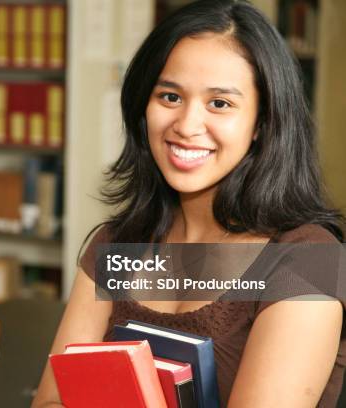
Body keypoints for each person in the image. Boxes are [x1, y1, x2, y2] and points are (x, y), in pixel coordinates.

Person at [33, 1, 345, 407]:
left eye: (220, 103)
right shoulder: (116, 244)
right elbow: (50, 400)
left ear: (262, 124)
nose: (186, 125)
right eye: (169, 96)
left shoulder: (305, 257)